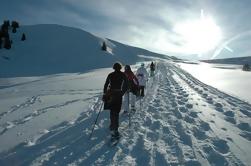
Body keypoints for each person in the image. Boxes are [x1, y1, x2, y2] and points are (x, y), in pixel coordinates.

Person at [103, 62, 128, 138]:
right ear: (120, 67)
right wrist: (122, 92)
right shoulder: (123, 75)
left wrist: (105, 93)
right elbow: (126, 84)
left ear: (114, 67)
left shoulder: (110, 74)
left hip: (110, 94)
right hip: (118, 94)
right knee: (116, 111)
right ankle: (116, 130)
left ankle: (112, 125)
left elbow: (106, 85)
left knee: (112, 110)